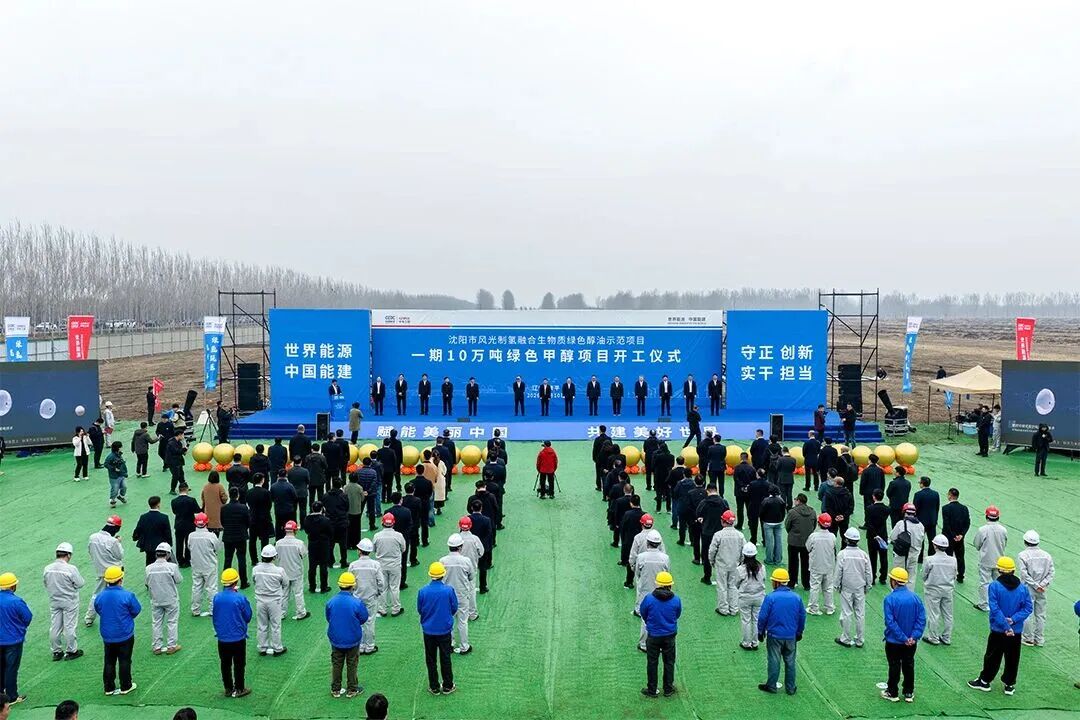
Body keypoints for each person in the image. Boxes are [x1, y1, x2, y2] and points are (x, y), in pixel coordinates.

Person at [968, 556, 1032, 696]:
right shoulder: (1023, 588)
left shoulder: (994, 586)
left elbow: (995, 609)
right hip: (1015, 631)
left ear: (999, 570)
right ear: (1013, 570)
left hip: (999, 629)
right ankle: (1009, 685)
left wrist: (1005, 626)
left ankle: (985, 681)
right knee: (1013, 658)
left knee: (992, 656)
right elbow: (1028, 608)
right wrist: (1013, 620)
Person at [757, 568, 805, 695]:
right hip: (791, 636)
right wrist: (799, 632)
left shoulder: (770, 597)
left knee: (774, 660)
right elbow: (802, 616)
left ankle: (771, 685)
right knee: (790, 662)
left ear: (777, 583)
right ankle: (790, 688)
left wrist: (760, 631)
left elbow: (763, 617)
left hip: (774, 636)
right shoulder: (796, 598)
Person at [93, 566, 141, 696]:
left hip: (107, 635)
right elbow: (136, 610)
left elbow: (98, 608)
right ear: (120, 579)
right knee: (125, 660)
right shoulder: (127, 595)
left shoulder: (100, 596)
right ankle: (126, 686)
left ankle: (108, 688)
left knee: (109, 661)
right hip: (124, 633)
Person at [881, 567, 926, 703]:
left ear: (894, 581)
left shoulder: (890, 599)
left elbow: (890, 622)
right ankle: (908, 692)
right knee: (909, 665)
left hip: (894, 641)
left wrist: (903, 638)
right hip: (911, 642)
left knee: (894, 665)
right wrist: (913, 637)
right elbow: (921, 619)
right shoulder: (915, 598)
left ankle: (892, 692)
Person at [326, 571, 369, 698]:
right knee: (352, 663)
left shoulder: (331, 601)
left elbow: (328, 617)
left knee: (337, 663)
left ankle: (336, 689)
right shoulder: (357, 603)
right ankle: (352, 689)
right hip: (352, 639)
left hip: (336, 638)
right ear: (353, 586)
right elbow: (364, 618)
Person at [639, 570, 680, 698]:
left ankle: (652, 690)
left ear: (657, 584)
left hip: (653, 635)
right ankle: (668, 688)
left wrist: (651, 624)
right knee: (669, 662)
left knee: (652, 662)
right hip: (670, 635)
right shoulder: (676, 600)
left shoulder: (649, 599)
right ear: (670, 585)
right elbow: (677, 614)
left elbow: (643, 613)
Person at [418, 561, 458, 695]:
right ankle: (448, 685)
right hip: (444, 630)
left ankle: (434, 686)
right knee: (445, 657)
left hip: (428, 630)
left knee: (430, 659)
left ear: (430, 575)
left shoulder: (423, 591)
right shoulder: (449, 590)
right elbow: (454, 607)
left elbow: (420, 609)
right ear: (443, 575)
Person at [212, 568, 252, 698]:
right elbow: (248, 616)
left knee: (225, 664)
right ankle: (240, 688)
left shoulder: (217, 597)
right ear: (236, 581)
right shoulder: (240, 598)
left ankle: (228, 688)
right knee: (239, 664)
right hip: (238, 637)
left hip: (222, 637)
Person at [43, 542, 85, 661]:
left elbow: (46, 583)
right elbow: (80, 583)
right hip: (69, 601)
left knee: (55, 626)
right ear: (68, 555)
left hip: (54, 600)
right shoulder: (71, 569)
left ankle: (56, 652)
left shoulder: (47, 568)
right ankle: (71, 651)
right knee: (69, 626)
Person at [833, 528, 872, 648]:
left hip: (846, 588)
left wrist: (836, 585)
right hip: (860, 588)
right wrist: (868, 586)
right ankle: (860, 640)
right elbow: (868, 573)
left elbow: (838, 572)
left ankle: (846, 638)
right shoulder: (863, 555)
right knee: (860, 614)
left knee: (846, 613)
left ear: (846, 539)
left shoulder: (842, 554)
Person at [84, 516, 124, 627]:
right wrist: (118, 542)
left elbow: (90, 551)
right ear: (116, 528)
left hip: (100, 571)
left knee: (96, 594)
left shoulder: (92, 537)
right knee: (117, 594)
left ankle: (89, 618)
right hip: (115, 572)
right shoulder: (113, 541)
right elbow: (120, 555)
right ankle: (116, 617)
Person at [1017, 530, 1054, 647]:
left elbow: (1024, 574)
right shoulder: (1047, 555)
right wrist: (1042, 585)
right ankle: (1039, 639)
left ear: (1025, 541)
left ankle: (1028, 638)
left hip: (1028, 588)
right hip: (1042, 589)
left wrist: (1035, 585)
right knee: (1041, 614)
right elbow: (1051, 572)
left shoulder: (1022, 555)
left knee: (1027, 612)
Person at [440, 535, 475, 654]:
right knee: (462, 621)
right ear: (460, 547)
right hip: (461, 595)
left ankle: (450, 644)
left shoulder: (442, 561)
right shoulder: (466, 561)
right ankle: (464, 646)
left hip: (447, 596)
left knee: (448, 621)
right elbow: (471, 576)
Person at [348, 539, 385, 654]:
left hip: (357, 598)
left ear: (359, 551)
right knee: (369, 622)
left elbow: (349, 582)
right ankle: (369, 646)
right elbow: (381, 582)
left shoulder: (353, 565)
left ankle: (360, 646)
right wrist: (378, 592)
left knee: (358, 622)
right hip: (371, 597)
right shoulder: (375, 565)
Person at [0, 573, 31, 704]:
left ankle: (1, 693)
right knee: (11, 668)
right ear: (13, 586)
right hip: (13, 640)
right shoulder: (16, 601)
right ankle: (12, 696)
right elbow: (27, 617)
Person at [252, 545, 288, 657]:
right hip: (274, 601)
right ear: (274, 557)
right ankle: (277, 648)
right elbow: (285, 583)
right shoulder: (279, 571)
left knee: (262, 625)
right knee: (275, 625)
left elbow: (254, 581)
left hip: (260, 601)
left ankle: (262, 647)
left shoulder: (256, 569)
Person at [922, 535, 957, 645]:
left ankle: (933, 637)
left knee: (933, 614)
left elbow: (924, 575)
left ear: (934, 545)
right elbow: (954, 575)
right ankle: (946, 637)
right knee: (948, 614)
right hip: (948, 590)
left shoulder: (929, 560)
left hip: (933, 590)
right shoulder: (953, 560)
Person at [707, 511, 743, 615]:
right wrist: (741, 561)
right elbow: (743, 550)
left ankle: (723, 609)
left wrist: (711, 561)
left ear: (723, 521)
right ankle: (734, 608)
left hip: (721, 565)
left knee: (722, 587)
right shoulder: (740, 535)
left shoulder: (718, 535)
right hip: (735, 565)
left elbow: (712, 550)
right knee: (733, 586)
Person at [974, 506, 1008, 611]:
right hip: (999, 561)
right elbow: (1005, 543)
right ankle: (1001, 604)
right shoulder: (1003, 530)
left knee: (984, 583)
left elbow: (977, 544)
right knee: (999, 583)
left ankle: (983, 604)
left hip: (985, 560)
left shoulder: (982, 530)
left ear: (986, 516)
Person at [373, 514, 407, 617]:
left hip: (381, 565)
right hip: (395, 565)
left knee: (382, 588)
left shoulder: (377, 536)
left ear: (382, 523)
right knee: (394, 587)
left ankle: (382, 609)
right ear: (393, 523)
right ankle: (395, 609)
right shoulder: (398, 536)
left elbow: (374, 549)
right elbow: (403, 549)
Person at [696, 485, 730, 585]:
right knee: (722, 554)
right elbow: (727, 515)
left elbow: (698, 514)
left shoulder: (704, 502)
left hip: (707, 532)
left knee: (706, 554)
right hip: (720, 532)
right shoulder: (723, 502)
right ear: (716, 490)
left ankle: (707, 577)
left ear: (707, 491)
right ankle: (722, 577)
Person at [734, 543, 766, 650]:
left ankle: (746, 643)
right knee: (756, 619)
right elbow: (764, 580)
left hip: (745, 598)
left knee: (746, 620)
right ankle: (755, 642)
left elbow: (736, 583)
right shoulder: (762, 567)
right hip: (759, 597)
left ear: (744, 555)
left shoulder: (740, 569)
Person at [806, 513, 836, 616]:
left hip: (816, 566)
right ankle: (829, 607)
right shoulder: (832, 536)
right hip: (828, 566)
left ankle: (813, 608)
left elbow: (808, 548)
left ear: (818, 523)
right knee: (828, 588)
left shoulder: (813, 536)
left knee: (814, 587)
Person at [220, 487, 250, 587]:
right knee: (241, 559)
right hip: (241, 536)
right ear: (238, 495)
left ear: (229, 495)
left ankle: (226, 582)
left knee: (228, 559)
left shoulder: (224, 508)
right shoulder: (243, 507)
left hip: (228, 536)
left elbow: (222, 522)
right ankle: (244, 582)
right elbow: (248, 522)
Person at [784, 494, 815, 591]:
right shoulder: (812, 511)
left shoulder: (792, 512)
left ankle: (792, 583)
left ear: (798, 501)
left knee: (793, 563)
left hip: (794, 541)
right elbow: (814, 525)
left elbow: (787, 525)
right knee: (806, 563)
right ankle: (806, 584)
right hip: (807, 542)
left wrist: (792, 533)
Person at [889, 503, 924, 589]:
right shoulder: (921, 526)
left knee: (897, 577)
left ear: (904, 512)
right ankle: (909, 594)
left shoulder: (901, 524)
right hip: (914, 555)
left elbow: (892, 537)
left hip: (901, 555)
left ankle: (896, 595)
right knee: (911, 578)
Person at [133, 496, 172, 566]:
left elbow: (138, 529)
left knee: (149, 562)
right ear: (158, 504)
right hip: (160, 546)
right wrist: (169, 544)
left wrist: (135, 537)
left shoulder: (143, 517)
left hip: (148, 545)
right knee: (162, 563)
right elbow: (168, 533)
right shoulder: (164, 517)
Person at [941, 488, 970, 583]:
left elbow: (946, 524)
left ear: (950, 495)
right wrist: (961, 535)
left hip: (949, 537)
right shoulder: (964, 508)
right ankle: (960, 575)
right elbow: (967, 523)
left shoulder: (945, 508)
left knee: (948, 557)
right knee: (960, 557)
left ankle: (947, 575)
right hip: (960, 538)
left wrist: (953, 535)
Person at [304, 502, 334, 593]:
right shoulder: (326, 520)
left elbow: (306, 530)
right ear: (322, 509)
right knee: (323, 566)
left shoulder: (307, 519)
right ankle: (324, 587)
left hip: (312, 545)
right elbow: (330, 532)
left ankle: (312, 587)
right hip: (323, 545)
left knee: (312, 567)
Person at [169, 483, 199, 568]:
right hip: (190, 525)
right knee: (188, 543)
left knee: (179, 543)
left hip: (179, 525)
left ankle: (180, 561)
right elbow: (197, 510)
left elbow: (174, 512)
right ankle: (187, 560)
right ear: (187, 489)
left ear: (179, 490)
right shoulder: (192, 500)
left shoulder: (174, 501)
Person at [323, 479, 351, 568]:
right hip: (342, 523)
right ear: (340, 486)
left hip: (330, 523)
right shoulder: (344, 496)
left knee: (330, 544)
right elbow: (347, 507)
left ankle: (330, 561)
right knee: (343, 544)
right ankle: (343, 561)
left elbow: (324, 506)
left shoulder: (326, 496)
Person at [865, 489, 890, 585]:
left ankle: (872, 577)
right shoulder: (887, 509)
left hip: (872, 536)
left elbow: (869, 523)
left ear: (873, 497)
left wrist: (875, 534)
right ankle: (883, 577)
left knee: (872, 557)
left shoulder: (869, 508)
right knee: (883, 557)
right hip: (883, 535)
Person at [759, 484, 786, 565]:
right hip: (778, 522)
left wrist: (763, 520)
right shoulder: (781, 500)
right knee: (778, 541)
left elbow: (761, 512)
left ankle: (769, 559)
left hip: (768, 523)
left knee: (769, 542)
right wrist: (781, 519)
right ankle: (778, 559)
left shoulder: (766, 501)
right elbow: (783, 512)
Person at [270, 471, 298, 539]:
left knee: (278, 525)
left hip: (278, 510)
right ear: (286, 476)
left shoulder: (273, 486)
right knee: (289, 525)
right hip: (289, 510)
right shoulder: (290, 486)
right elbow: (295, 498)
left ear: (278, 475)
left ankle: (278, 540)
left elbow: (271, 498)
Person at [102, 441, 130, 509]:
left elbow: (122, 464)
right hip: (114, 477)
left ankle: (121, 496)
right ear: (118, 448)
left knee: (124, 487)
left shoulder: (119, 454)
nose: (122, 448)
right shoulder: (111, 456)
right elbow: (106, 464)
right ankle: (112, 500)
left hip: (121, 475)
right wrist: (114, 468)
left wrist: (125, 472)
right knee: (115, 489)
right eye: (121, 447)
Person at [164, 429, 187, 495]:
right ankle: (172, 490)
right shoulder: (171, 443)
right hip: (173, 462)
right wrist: (184, 449)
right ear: (179, 435)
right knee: (176, 476)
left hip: (178, 461)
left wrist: (183, 450)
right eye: (182, 435)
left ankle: (184, 487)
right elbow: (176, 451)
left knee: (181, 474)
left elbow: (179, 451)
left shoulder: (178, 442)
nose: (183, 437)